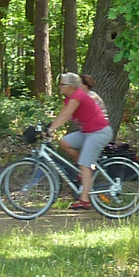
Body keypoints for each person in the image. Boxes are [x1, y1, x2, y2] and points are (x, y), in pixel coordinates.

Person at [46, 72, 113, 211]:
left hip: (98, 133)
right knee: (65, 142)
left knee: (85, 164)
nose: (59, 87)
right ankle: (86, 168)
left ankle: (84, 200)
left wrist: (51, 129)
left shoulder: (78, 96)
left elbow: (65, 115)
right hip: (87, 132)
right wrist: (49, 126)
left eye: (62, 84)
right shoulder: (69, 98)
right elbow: (62, 115)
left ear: (70, 86)